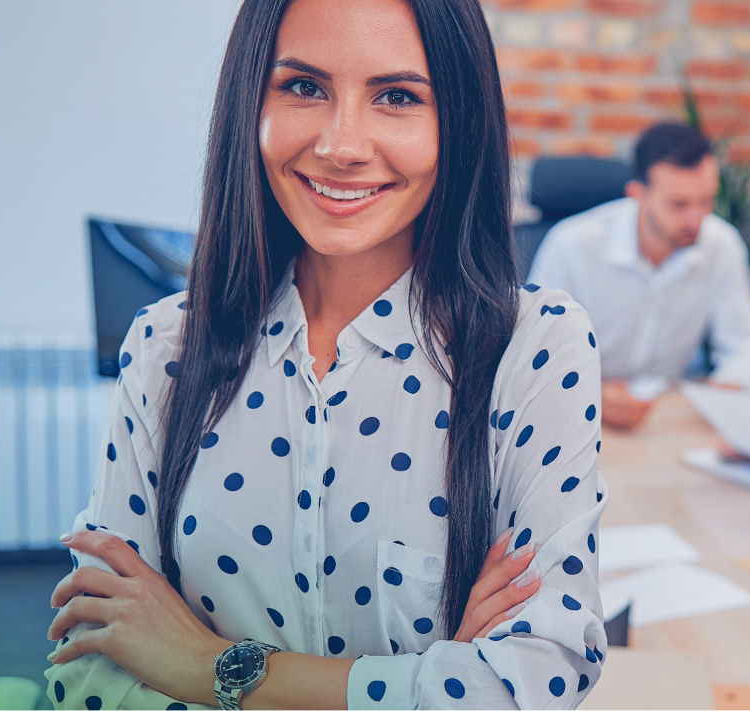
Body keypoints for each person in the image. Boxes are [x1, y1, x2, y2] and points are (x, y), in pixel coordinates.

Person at [43, 0, 607, 708]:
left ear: (458, 121)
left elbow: (530, 680)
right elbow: (87, 672)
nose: (342, 145)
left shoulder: (535, 347)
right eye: (304, 87)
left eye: (398, 96)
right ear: (252, 101)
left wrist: (207, 664)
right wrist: (431, 677)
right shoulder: (166, 348)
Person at [527, 122, 750, 430]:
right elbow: (533, 360)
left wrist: (728, 388)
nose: (696, 219)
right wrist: (590, 396)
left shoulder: (721, 245)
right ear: (638, 195)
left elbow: (745, 348)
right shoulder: (573, 246)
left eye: (706, 200)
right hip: (580, 418)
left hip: (670, 417)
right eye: (679, 204)